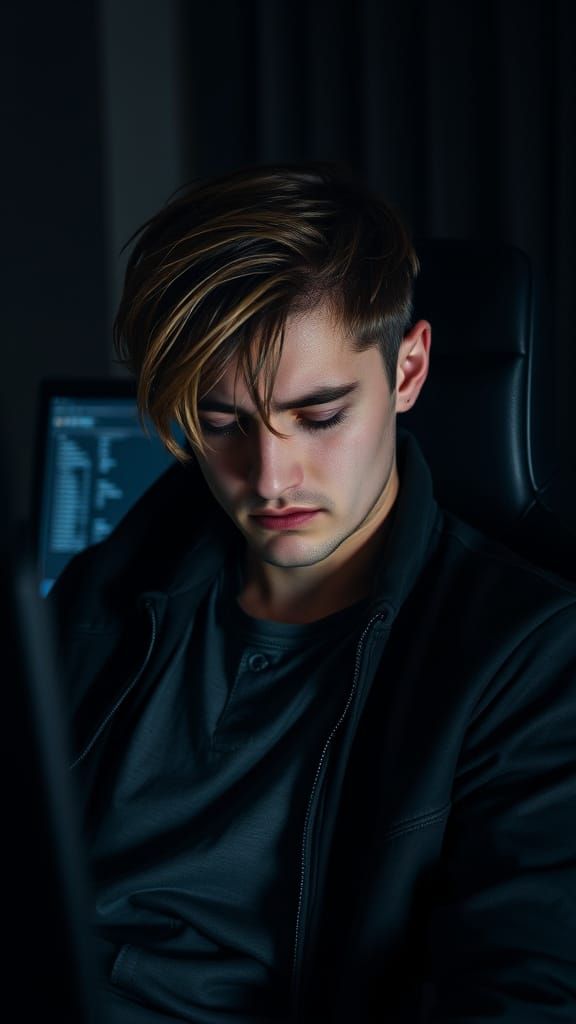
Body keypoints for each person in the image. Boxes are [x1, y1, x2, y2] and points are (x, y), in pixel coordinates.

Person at [50, 163, 576, 1023]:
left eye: (320, 416)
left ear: (408, 371)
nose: (269, 477)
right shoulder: (108, 591)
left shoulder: (530, 660)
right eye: (221, 422)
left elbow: (523, 990)